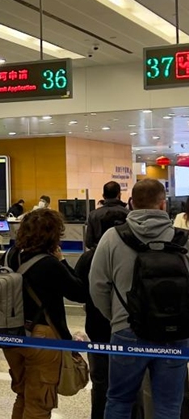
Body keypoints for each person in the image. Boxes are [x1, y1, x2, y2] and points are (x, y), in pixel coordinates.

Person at [90, 179, 189, 419]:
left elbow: (97, 285)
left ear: (132, 203)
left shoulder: (112, 238)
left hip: (126, 330)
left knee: (119, 400)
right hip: (175, 333)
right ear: (164, 205)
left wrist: (117, 317)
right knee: (168, 405)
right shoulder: (184, 240)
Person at [2, 208, 87, 419]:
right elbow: (79, 293)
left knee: (22, 395)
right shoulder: (49, 264)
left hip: (11, 334)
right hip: (42, 337)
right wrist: (62, 261)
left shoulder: (10, 255)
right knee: (40, 402)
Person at [75, 200, 130, 419]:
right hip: (128, 326)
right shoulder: (132, 252)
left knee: (100, 381)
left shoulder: (89, 256)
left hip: (98, 326)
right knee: (128, 383)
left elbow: (78, 290)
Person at [86, 181, 130, 249]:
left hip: (99, 254)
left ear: (103, 196)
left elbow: (89, 242)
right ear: (119, 195)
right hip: (122, 255)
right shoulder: (128, 214)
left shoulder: (93, 215)